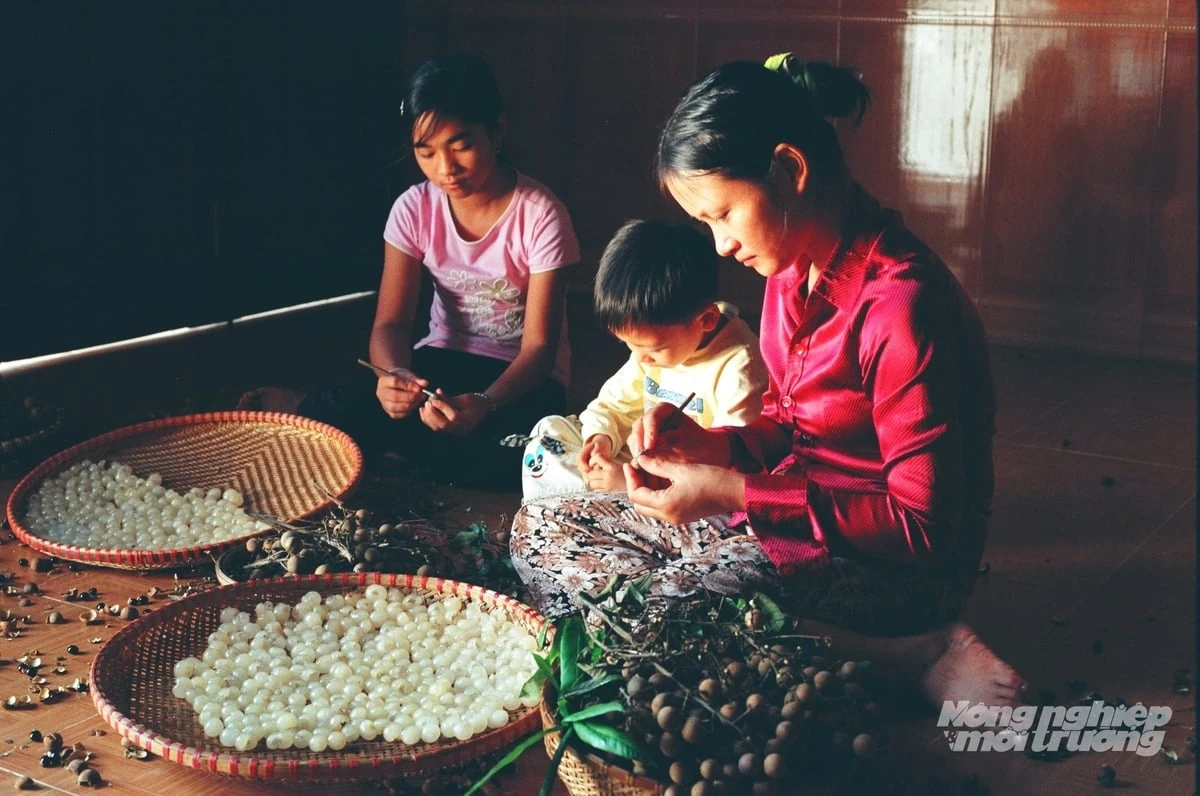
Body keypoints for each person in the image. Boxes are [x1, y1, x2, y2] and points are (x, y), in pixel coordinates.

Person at [510, 54, 1026, 710]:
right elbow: (790, 419)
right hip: (778, 518)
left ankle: (911, 654)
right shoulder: (786, 272)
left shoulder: (902, 304)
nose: (719, 244)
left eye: (723, 214)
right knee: (541, 529)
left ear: (791, 169)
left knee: (665, 612)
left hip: (891, 569)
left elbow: (923, 529)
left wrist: (734, 491)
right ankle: (738, 624)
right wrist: (710, 444)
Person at [239, 53, 580, 490]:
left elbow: (539, 350)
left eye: (461, 146)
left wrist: (484, 404)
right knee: (362, 413)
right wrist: (393, 376)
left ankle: (395, 444)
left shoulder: (541, 214)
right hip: (440, 365)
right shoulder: (413, 209)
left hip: (521, 381)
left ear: (497, 130)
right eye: (427, 152)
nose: (446, 169)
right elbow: (390, 323)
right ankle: (313, 405)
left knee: (522, 462)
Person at [512, 219, 768, 502]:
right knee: (547, 435)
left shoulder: (739, 366)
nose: (642, 358)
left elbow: (732, 467)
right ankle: (580, 502)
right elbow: (613, 404)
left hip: (692, 487)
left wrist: (629, 481)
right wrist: (601, 440)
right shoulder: (650, 351)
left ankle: (584, 504)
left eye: (654, 349)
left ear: (705, 320)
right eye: (630, 346)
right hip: (638, 463)